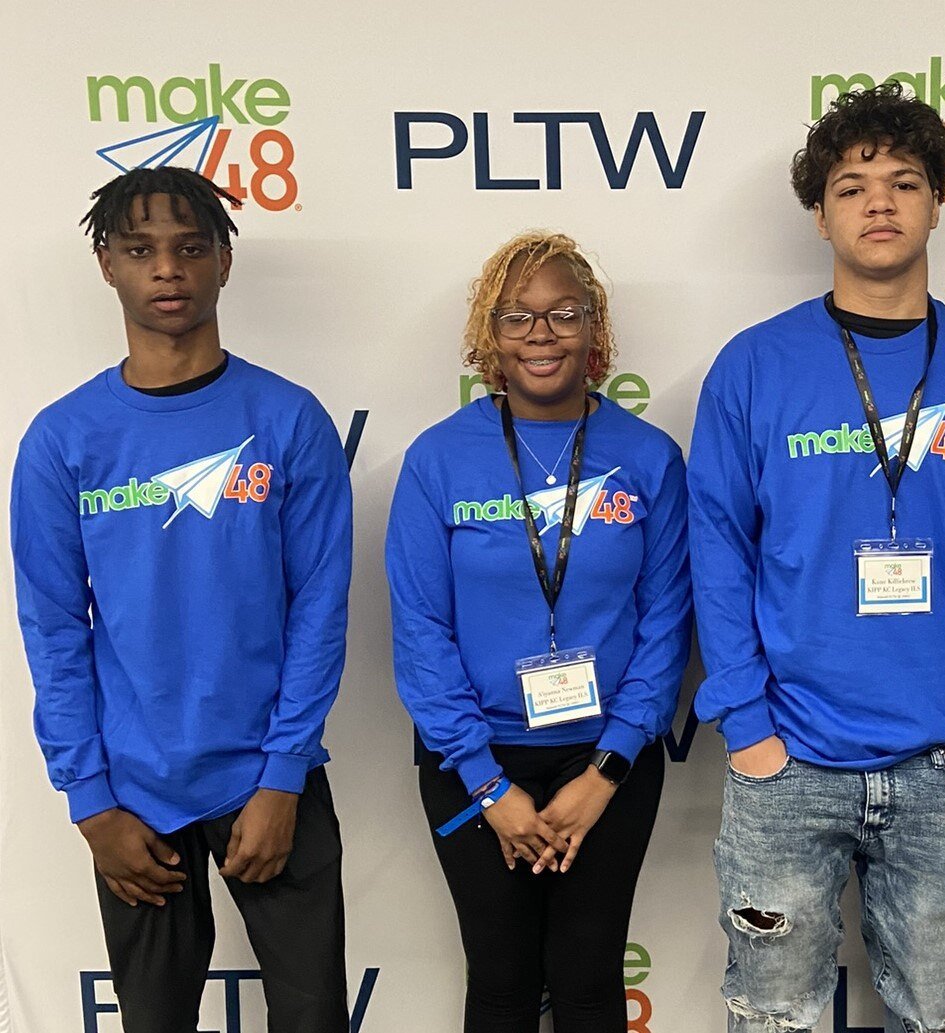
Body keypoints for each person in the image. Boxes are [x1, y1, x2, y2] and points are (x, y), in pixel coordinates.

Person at [689, 82, 945, 1033]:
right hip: (788, 762)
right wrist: (750, 732)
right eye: (852, 187)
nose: (879, 204)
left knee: (941, 1016)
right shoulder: (755, 366)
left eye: (903, 182)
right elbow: (717, 554)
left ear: (941, 199)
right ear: (820, 214)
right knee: (774, 1017)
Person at [10, 166, 353, 1031]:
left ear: (223, 263)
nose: (168, 269)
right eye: (141, 250)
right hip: (133, 797)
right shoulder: (62, 439)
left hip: (272, 781)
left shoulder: (289, 418)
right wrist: (89, 798)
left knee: (312, 1018)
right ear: (106, 264)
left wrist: (282, 776)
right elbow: (54, 629)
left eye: (190, 248)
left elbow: (318, 607)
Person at [385, 231, 691, 1033]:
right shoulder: (438, 461)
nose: (542, 333)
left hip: (608, 762)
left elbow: (666, 621)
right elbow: (420, 630)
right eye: (517, 317)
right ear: (489, 337)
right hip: (473, 761)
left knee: (591, 982)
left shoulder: (649, 458)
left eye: (564, 313)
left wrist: (608, 767)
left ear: (597, 332)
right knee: (500, 980)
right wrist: (491, 787)